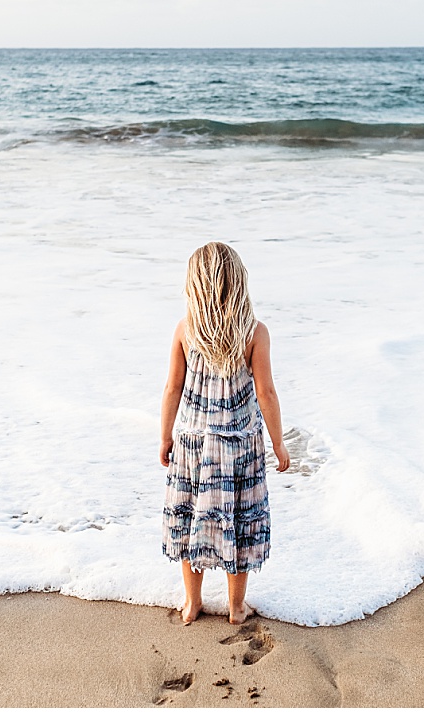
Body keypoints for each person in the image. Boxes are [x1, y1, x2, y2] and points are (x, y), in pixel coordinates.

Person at [159, 242, 291, 626]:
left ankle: (192, 604)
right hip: (239, 446)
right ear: (238, 283)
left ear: (195, 285)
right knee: (240, 522)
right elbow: (266, 392)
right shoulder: (255, 333)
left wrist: (165, 436)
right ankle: (235, 607)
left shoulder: (186, 331)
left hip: (193, 444)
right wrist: (278, 443)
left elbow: (172, 388)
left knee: (188, 521)